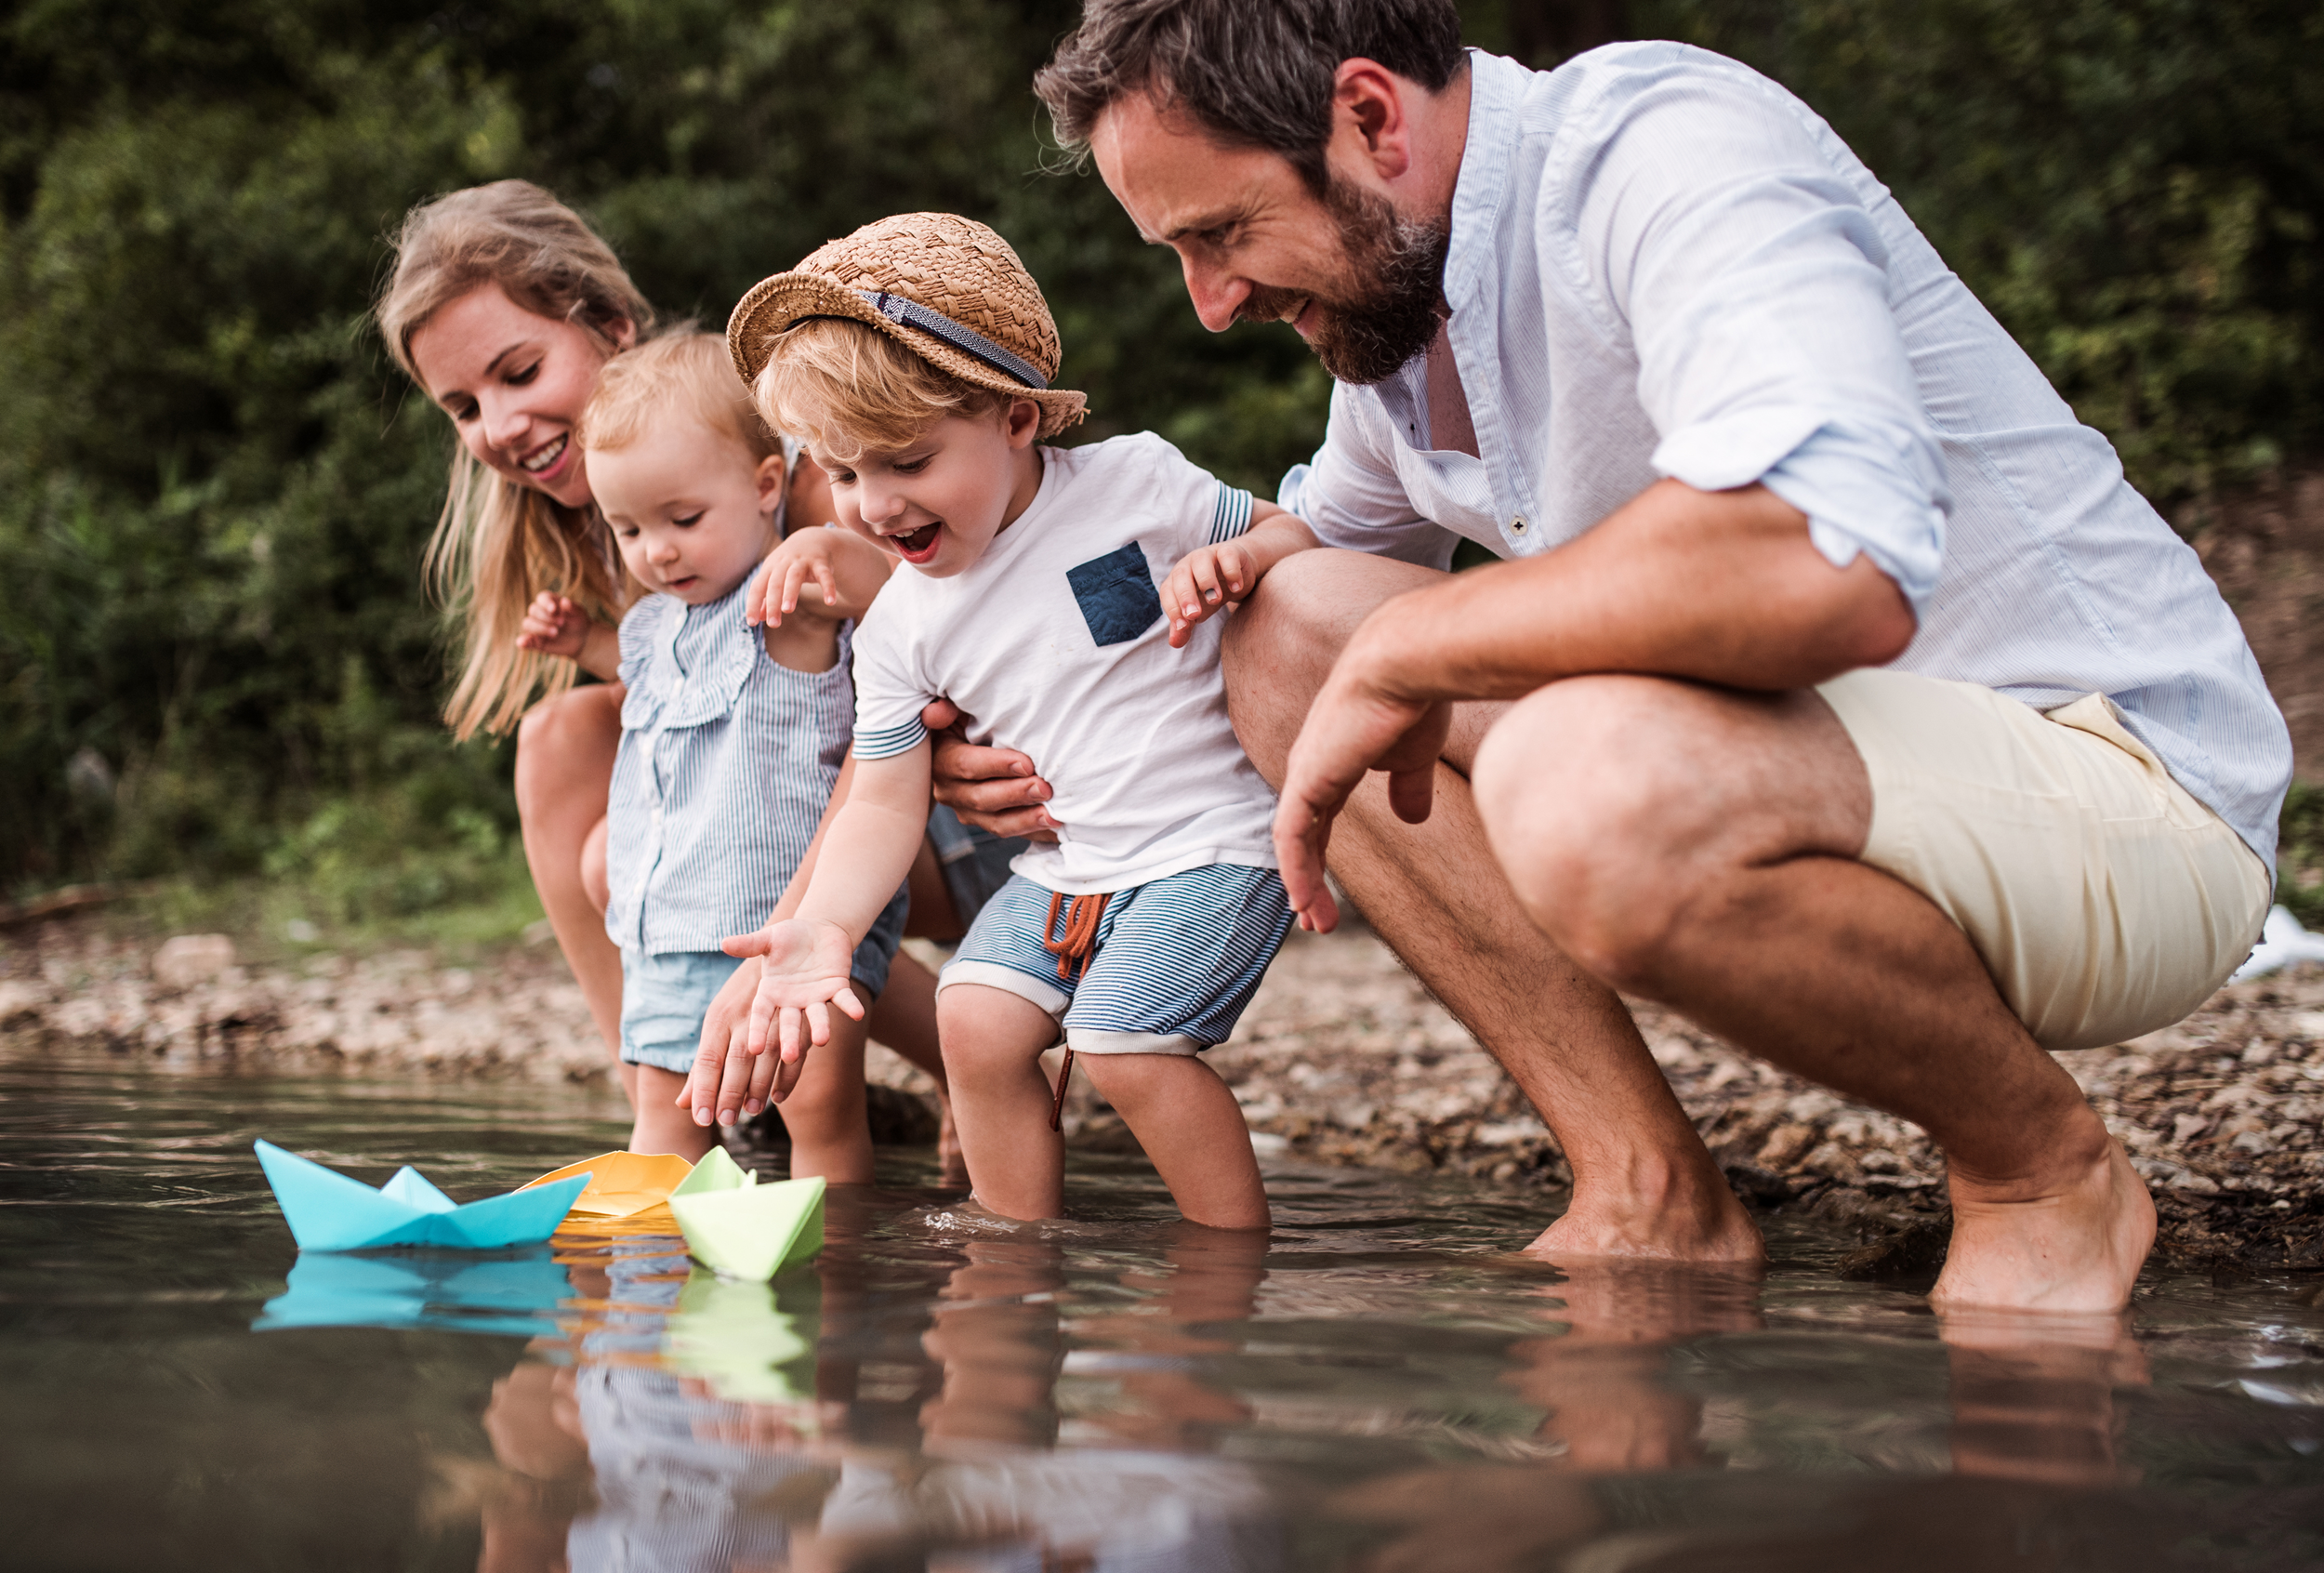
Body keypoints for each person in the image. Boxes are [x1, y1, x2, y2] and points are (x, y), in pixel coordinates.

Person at [934, 0, 2294, 1312]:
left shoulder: (1659, 143)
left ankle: (2041, 1176)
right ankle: (1647, 1188)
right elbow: (1296, 598)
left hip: (2120, 795)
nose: (1212, 303)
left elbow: (1825, 561)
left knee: (1582, 781)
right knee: (1286, 631)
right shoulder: (1401, 340)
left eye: (1223, 232)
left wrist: (1423, 638)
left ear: (1368, 118)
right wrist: (1018, 740)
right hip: (1836, 784)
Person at [701, 213, 1317, 1229]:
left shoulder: (1135, 486)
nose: (872, 505)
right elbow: (883, 804)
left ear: (1016, 421)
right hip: (1066, 866)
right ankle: (1012, 1251)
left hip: (1209, 840)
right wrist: (824, 928)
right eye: (844, 472)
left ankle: (1226, 1263)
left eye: (905, 461)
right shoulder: (900, 622)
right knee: (972, 1021)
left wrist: (1245, 560)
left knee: (1124, 1047)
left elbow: (1293, 535)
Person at [376, 180, 1009, 1138]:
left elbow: (875, 728)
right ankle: (673, 1088)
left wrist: (779, 955)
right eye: (462, 406)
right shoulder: (623, 527)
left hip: (958, 810)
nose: (498, 425)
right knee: (565, 746)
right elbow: (705, 705)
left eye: (518, 371)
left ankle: (902, 1065)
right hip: (812, 821)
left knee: (654, 866)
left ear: (611, 327)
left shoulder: (801, 480)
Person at [518, 330, 901, 1174]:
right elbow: (649, 678)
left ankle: (838, 1269)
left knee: (820, 1114)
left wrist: (827, 547)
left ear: (767, 487)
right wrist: (587, 642)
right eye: (627, 529)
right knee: (666, 1112)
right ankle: (645, 1284)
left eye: (683, 520)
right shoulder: (655, 622)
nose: (656, 549)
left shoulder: (791, 599)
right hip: (667, 925)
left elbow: (896, 598)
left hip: (785, 922)